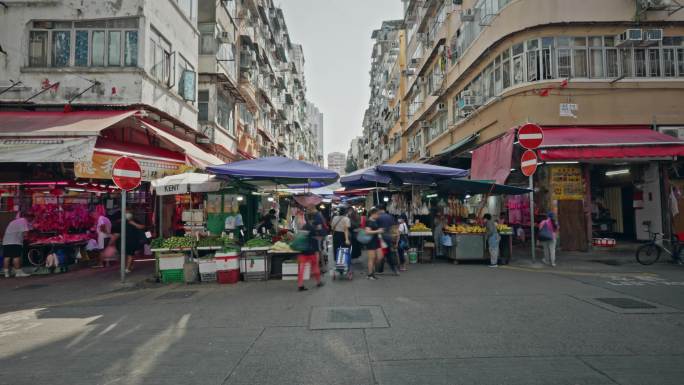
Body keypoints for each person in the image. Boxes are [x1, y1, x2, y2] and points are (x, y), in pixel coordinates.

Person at [296, 212, 324, 291]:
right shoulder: (314, 227)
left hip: (303, 250)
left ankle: (300, 285)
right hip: (312, 251)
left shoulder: (304, 227)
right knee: (315, 267)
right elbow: (319, 237)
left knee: (301, 268)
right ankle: (318, 282)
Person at [113, 209, 146, 274]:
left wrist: (133, 223)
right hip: (122, 241)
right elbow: (117, 232)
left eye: (128, 213)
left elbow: (143, 227)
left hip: (133, 240)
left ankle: (127, 268)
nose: (127, 214)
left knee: (130, 254)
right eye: (126, 213)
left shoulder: (135, 221)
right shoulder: (121, 222)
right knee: (124, 255)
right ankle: (128, 266)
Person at [2, 213, 32, 278]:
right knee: (16, 257)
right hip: (15, 241)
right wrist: (28, 239)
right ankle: (18, 272)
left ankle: (6, 273)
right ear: (29, 217)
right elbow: (25, 233)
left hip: (6, 241)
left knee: (7, 257)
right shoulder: (23, 220)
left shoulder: (14, 221)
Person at [376, 205, 398, 275]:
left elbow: (376, 228)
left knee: (384, 254)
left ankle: (393, 269)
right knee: (386, 253)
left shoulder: (378, 217)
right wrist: (394, 238)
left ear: (379, 209)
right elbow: (394, 228)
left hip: (380, 237)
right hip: (389, 237)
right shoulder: (390, 216)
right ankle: (380, 270)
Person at [364, 208, 384, 280]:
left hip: (376, 240)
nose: (378, 216)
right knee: (371, 258)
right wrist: (378, 231)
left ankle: (372, 271)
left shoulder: (374, 221)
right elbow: (367, 232)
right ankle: (370, 274)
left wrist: (379, 233)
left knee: (380, 256)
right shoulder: (369, 221)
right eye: (377, 214)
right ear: (373, 214)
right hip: (371, 241)